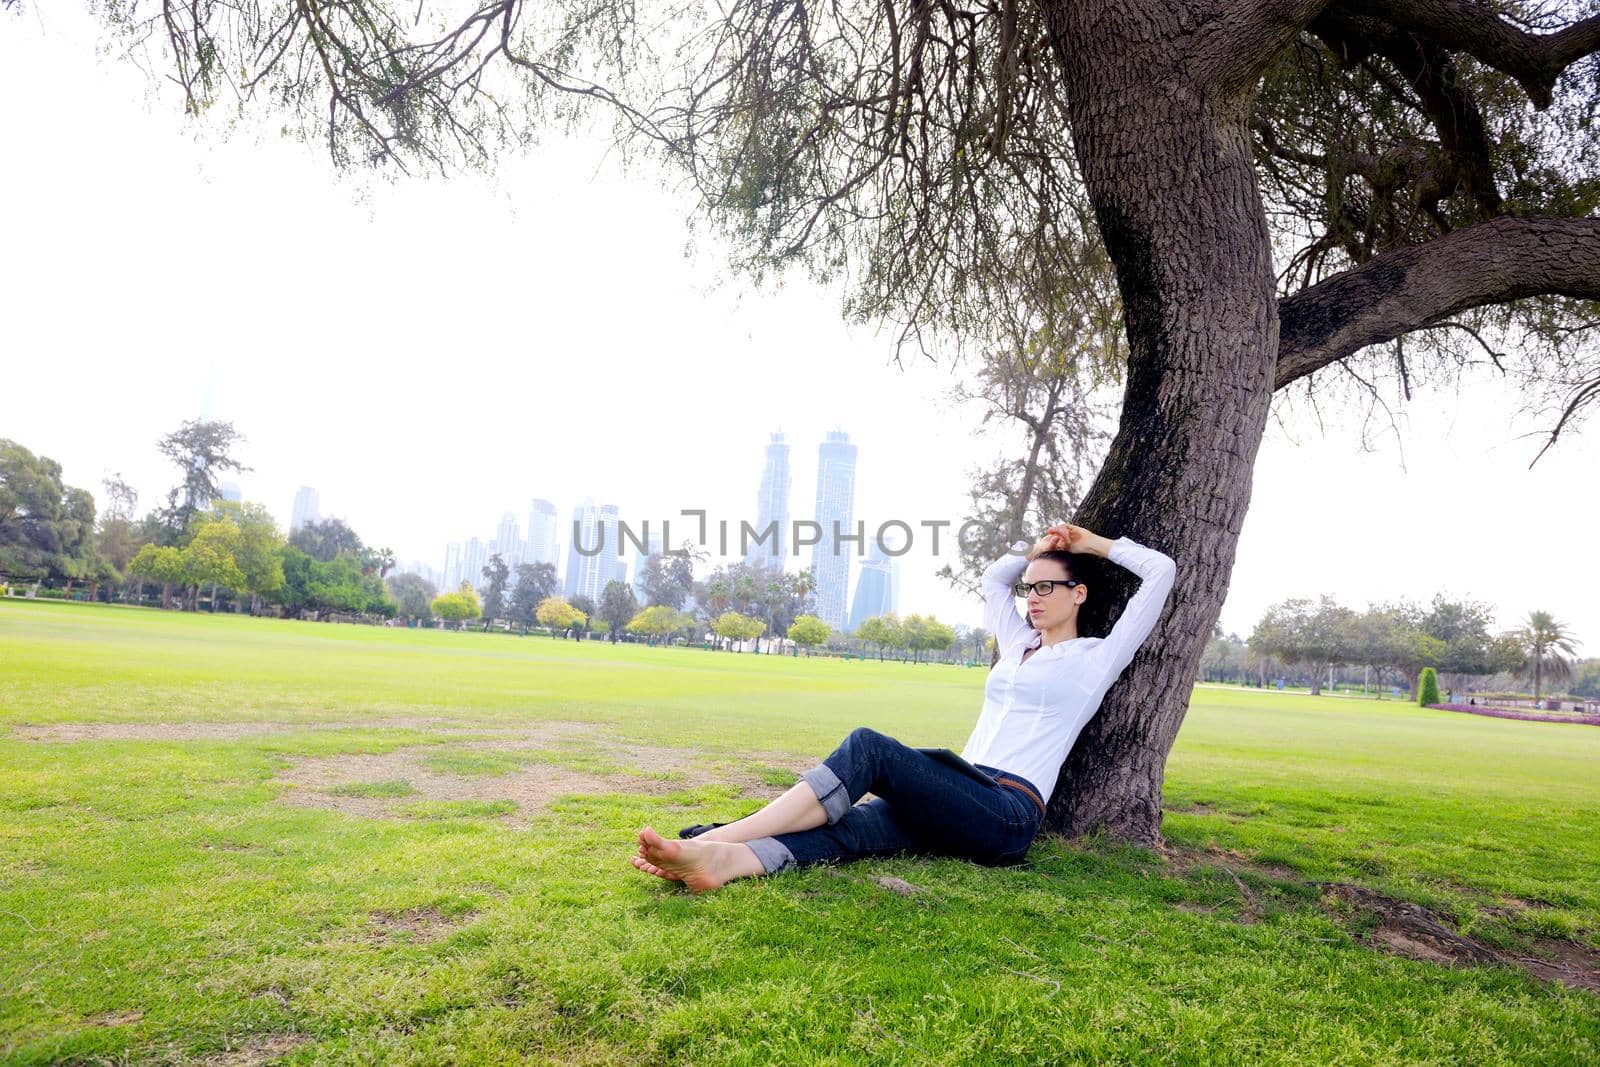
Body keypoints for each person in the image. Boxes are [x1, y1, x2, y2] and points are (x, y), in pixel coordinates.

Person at [629, 522, 1177, 892]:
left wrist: (1092, 542)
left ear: (1078, 594)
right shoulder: (1018, 648)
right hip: (960, 788)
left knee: (869, 747)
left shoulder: (1096, 659)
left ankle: (719, 837)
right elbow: (994, 579)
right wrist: (1035, 549)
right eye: (1028, 588)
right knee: (856, 828)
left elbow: (1162, 572)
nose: (1030, 597)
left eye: (1046, 587)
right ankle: (722, 863)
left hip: (1008, 812)